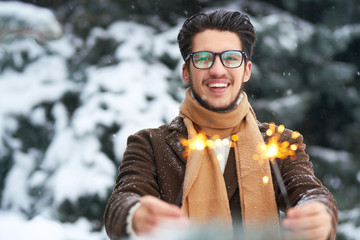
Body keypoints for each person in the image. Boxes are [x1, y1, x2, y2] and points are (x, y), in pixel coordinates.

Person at [104, 9, 338, 240]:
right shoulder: (150, 144)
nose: (217, 70)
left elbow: (309, 191)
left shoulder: (278, 143)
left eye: (231, 58)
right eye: (203, 58)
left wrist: (319, 213)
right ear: (186, 72)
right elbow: (124, 199)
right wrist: (134, 215)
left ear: (246, 70)